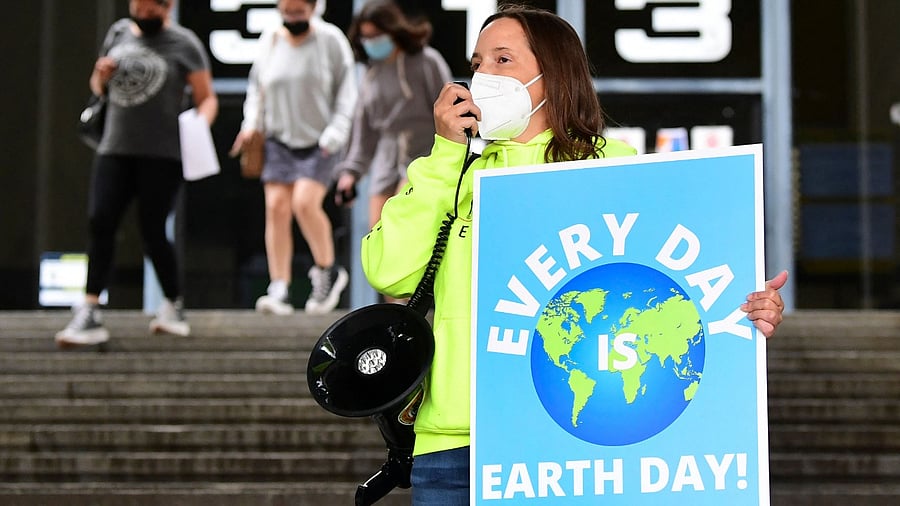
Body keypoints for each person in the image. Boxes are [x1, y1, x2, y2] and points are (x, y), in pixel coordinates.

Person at [360, 5, 789, 504]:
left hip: (572, 444)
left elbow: (677, 283)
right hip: (456, 444)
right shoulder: (453, 171)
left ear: (553, 74)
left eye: (503, 60)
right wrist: (445, 157)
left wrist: (750, 309)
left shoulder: (615, 166)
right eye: (477, 63)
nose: (482, 77)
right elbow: (387, 270)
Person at [55, 0, 218, 347]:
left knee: (153, 229)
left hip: (163, 154)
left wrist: (198, 126)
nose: (142, 13)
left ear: (167, 7)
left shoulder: (185, 43)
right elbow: (98, 90)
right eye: (138, 6)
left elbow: (207, 98)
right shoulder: (117, 33)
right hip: (114, 147)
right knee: (101, 221)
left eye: (150, 9)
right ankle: (90, 307)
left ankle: (173, 304)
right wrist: (100, 77)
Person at [231, 0, 356, 316]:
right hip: (278, 138)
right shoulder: (270, 39)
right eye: (287, 11)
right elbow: (256, 88)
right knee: (275, 208)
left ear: (314, 8)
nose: (292, 17)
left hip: (320, 140)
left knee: (304, 203)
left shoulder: (330, 40)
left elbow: (347, 92)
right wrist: (250, 127)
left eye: (299, 11)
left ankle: (328, 270)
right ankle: (279, 287)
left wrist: (335, 134)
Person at [334, 0, 451, 231]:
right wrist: (350, 172)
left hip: (424, 153)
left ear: (393, 30)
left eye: (376, 34)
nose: (371, 41)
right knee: (376, 230)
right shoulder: (371, 74)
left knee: (403, 219)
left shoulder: (427, 61)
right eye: (366, 36)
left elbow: (448, 106)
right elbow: (364, 131)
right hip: (386, 160)